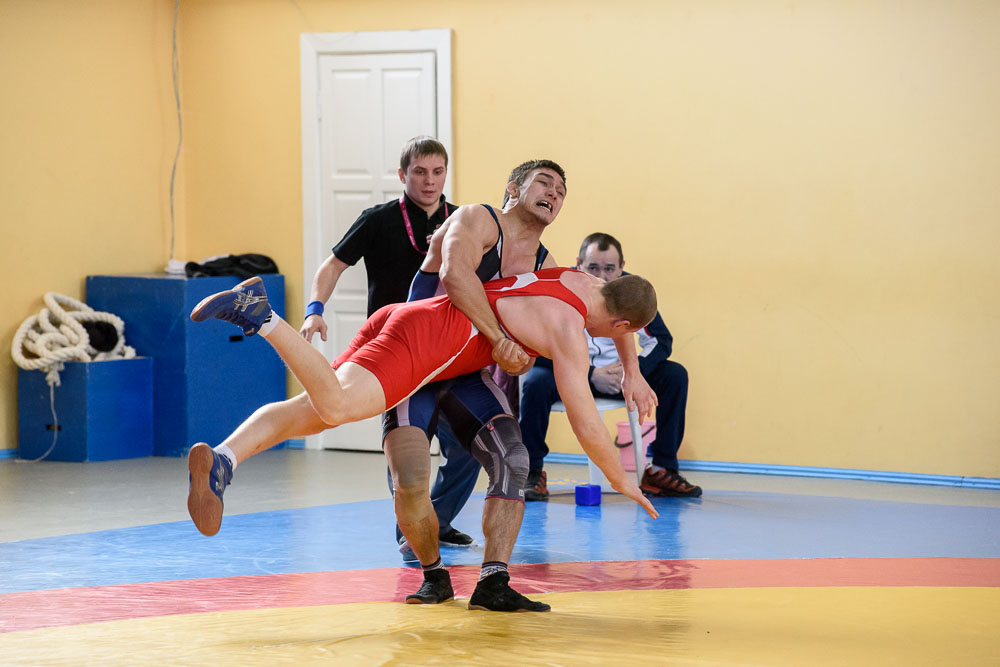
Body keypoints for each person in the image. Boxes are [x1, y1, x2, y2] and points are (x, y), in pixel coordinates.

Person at [186, 268, 662, 609]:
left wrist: (632, 371)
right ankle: (263, 316)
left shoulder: (584, 281)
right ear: (622, 324)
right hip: (434, 340)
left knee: (313, 412)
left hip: (411, 315)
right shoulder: (568, 330)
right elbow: (586, 424)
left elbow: (622, 313)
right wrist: (622, 480)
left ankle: (225, 458)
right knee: (337, 406)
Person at [299, 136, 477, 551]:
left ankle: (436, 521)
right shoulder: (377, 220)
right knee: (405, 449)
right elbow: (332, 266)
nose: (429, 181)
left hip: (447, 351)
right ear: (402, 175)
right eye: (420, 172)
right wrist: (314, 310)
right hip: (393, 353)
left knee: (467, 447)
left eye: (437, 172)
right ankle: (412, 530)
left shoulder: (462, 221)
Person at [519, 233, 702, 500]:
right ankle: (532, 471)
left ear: (621, 267)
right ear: (579, 263)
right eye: (593, 267)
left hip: (620, 378)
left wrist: (633, 371)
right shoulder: (562, 288)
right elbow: (535, 344)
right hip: (571, 376)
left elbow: (662, 341)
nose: (601, 277)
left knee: (675, 375)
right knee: (536, 381)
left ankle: (662, 470)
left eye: (609, 269)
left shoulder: (631, 293)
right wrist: (591, 375)